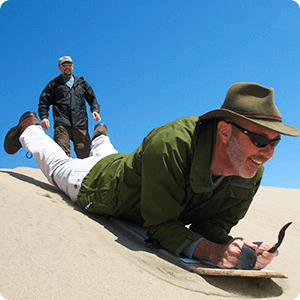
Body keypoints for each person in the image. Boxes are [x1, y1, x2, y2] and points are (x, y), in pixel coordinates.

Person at [4, 82, 299, 270]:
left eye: (275, 142)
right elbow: (159, 226)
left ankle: (100, 137)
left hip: (133, 168)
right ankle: (29, 129)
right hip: (99, 184)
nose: (268, 153)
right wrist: (213, 253)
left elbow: (213, 225)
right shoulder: (170, 144)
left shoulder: (250, 168)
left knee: (113, 154)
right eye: (260, 140)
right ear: (224, 131)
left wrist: (236, 247)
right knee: (58, 165)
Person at [38, 56, 101, 158]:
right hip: (62, 125)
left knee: (86, 156)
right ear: (59, 67)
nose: (67, 67)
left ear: (73, 66)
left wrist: (95, 110)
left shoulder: (81, 83)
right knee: (62, 155)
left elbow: (92, 98)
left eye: (69, 65)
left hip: (80, 125)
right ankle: (62, 174)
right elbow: (44, 101)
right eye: (64, 65)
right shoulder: (54, 84)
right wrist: (44, 117)